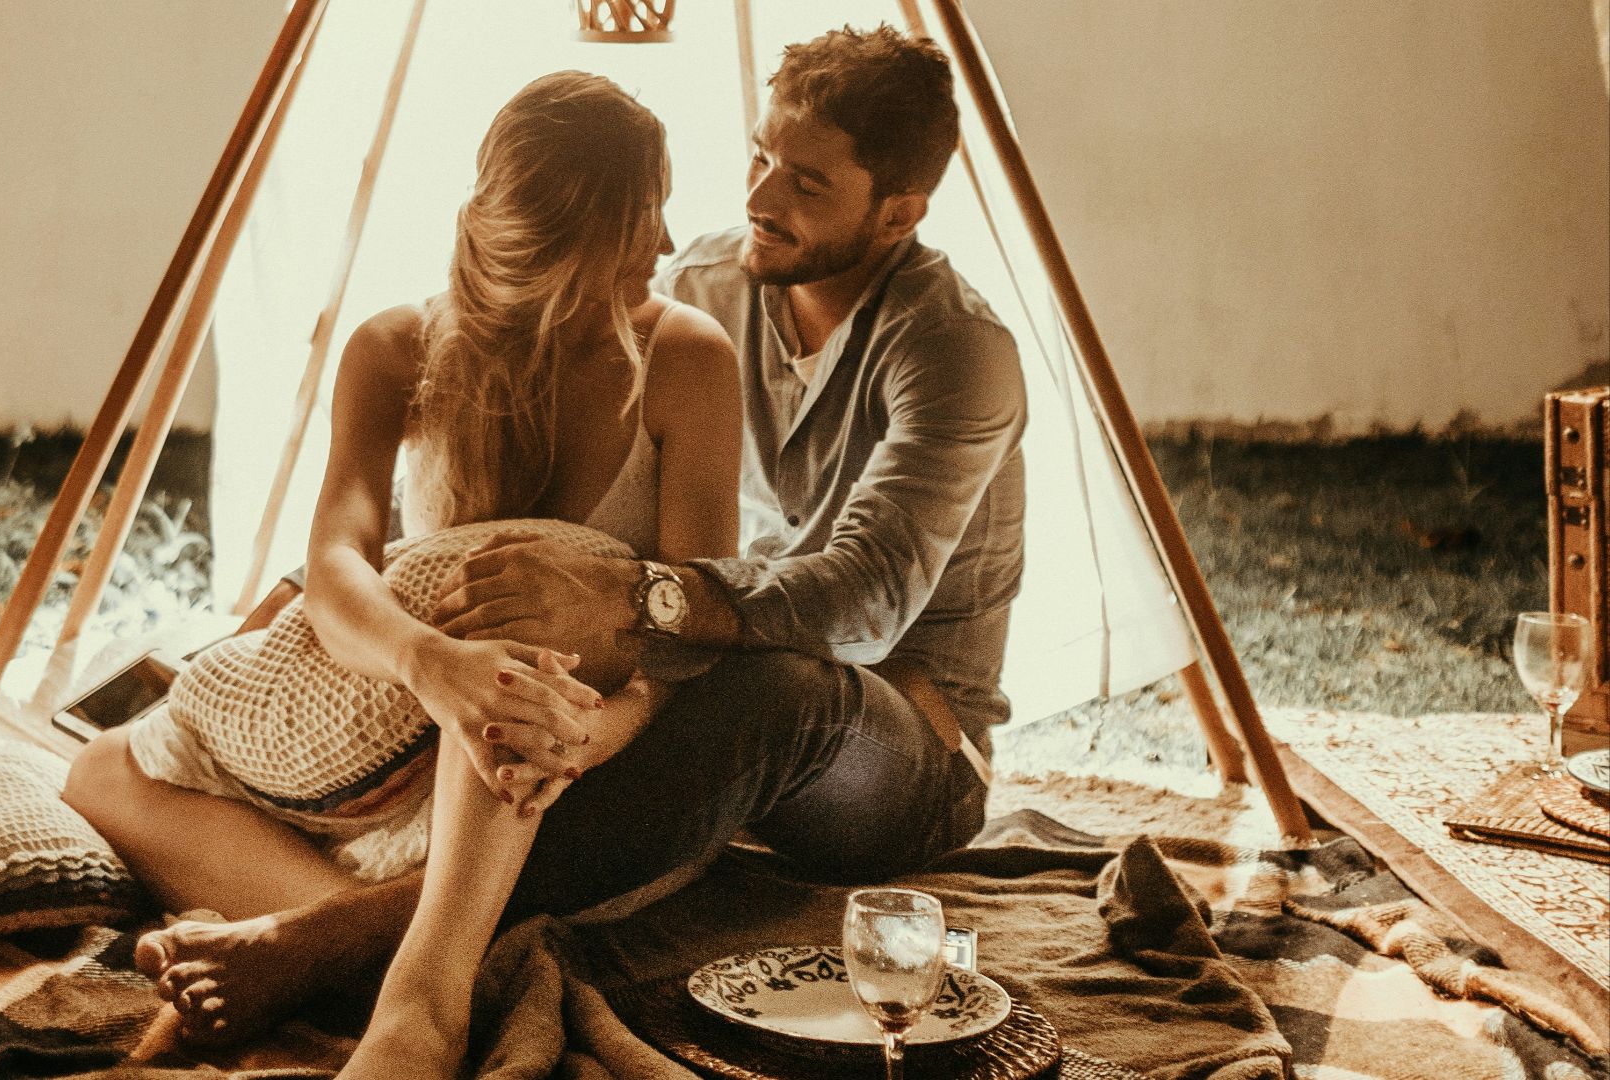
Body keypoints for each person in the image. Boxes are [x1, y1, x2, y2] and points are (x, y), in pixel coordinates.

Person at [79, 21, 1029, 1073]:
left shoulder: (956, 351)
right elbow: (474, 475)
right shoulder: (706, 282)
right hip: (682, 699)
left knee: (777, 681)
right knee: (537, 666)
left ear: (897, 213)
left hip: (896, 732)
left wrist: (633, 602)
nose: (758, 198)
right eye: (759, 157)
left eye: (806, 183)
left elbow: (866, 598)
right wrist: (339, 601)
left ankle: (351, 946)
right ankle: (421, 940)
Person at [63, 70, 742, 1076]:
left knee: (519, 612)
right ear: (572, 247)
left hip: (548, 771)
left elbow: (692, 629)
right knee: (100, 769)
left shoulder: (686, 359)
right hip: (396, 735)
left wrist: (578, 733)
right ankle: (394, 946)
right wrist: (429, 666)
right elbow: (334, 563)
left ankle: (417, 1009)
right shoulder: (393, 349)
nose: (672, 244)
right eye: (649, 215)